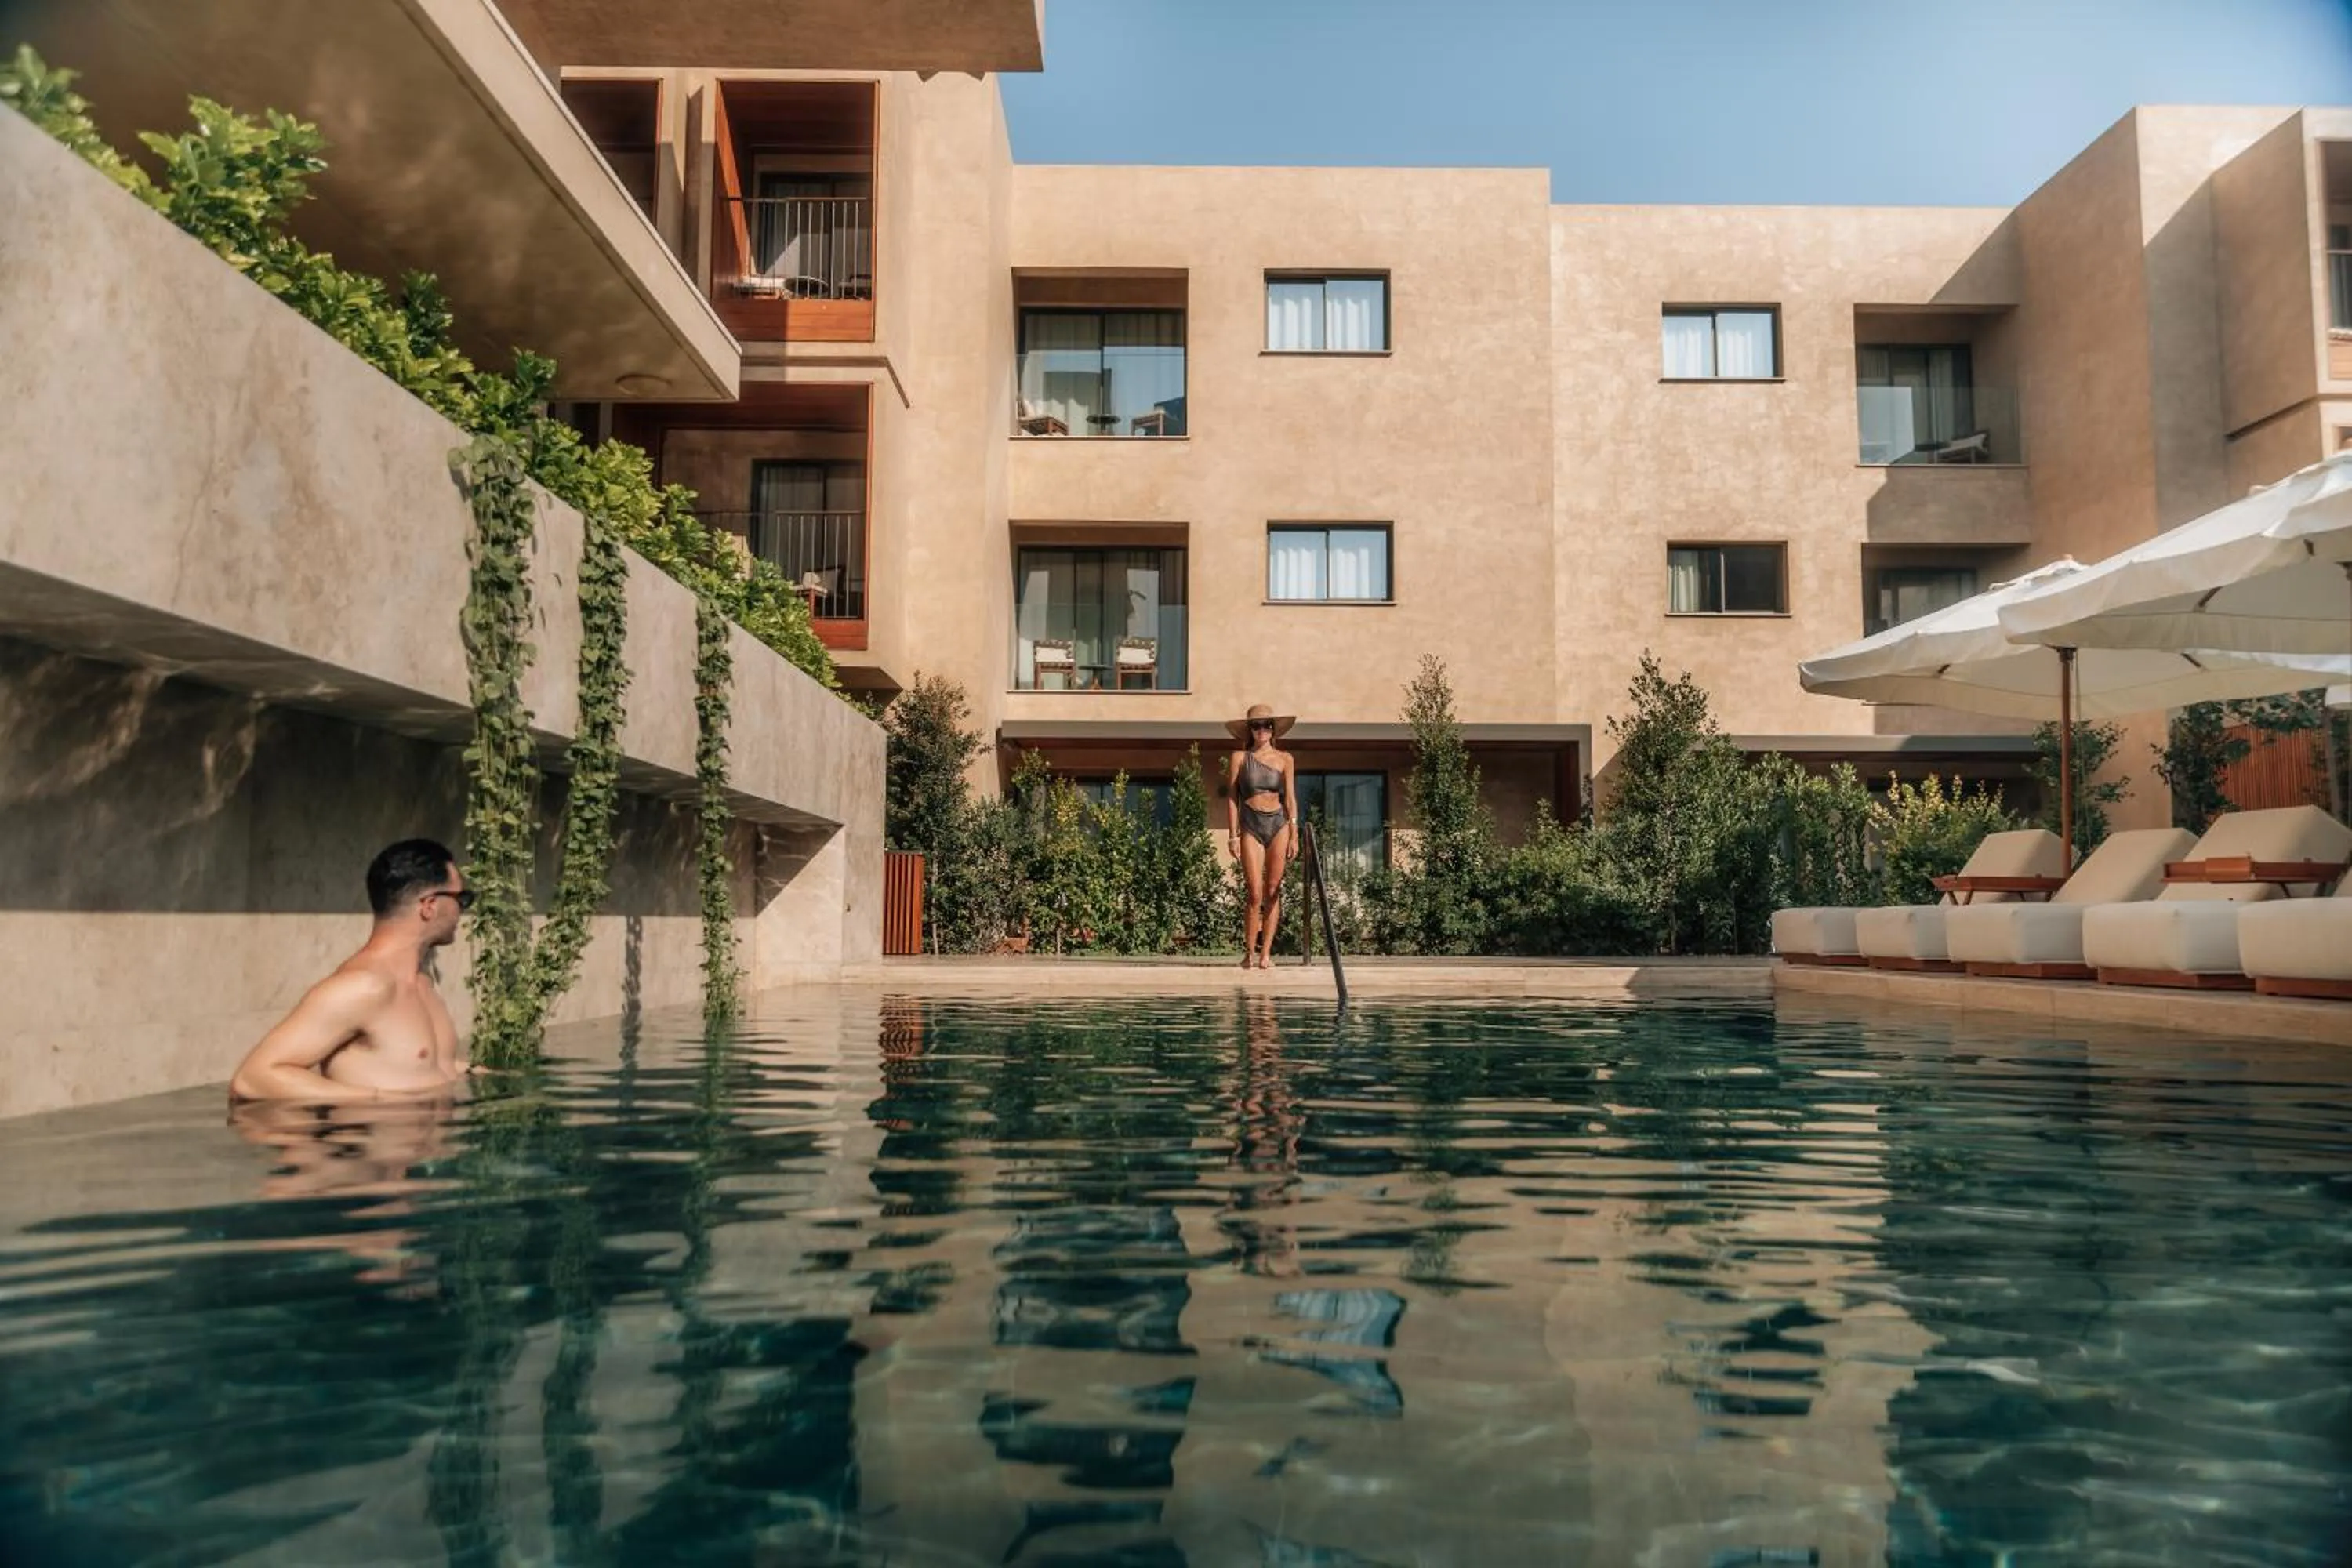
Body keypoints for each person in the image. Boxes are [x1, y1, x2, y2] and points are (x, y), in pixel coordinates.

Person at [230, 839, 474, 1102]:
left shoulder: (422, 984)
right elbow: (253, 1078)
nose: (463, 910)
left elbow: (423, 1066)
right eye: (462, 898)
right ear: (430, 906)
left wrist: (482, 1074)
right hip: (380, 1136)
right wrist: (378, 1100)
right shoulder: (363, 987)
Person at [1225, 703, 1299, 971]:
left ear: (1273, 729)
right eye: (1256, 726)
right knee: (1255, 893)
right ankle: (1249, 953)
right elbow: (1233, 799)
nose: (1262, 730)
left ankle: (1266, 953)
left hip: (1279, 824)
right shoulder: (1239, 758)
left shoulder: (1285, 758)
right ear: (1249, 730)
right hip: (1251, 825)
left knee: (1273, 890)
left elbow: (1290, 797)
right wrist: (1232, 835)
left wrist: (1294, 832)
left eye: (1267, 725)